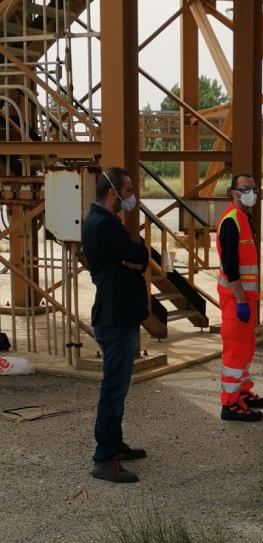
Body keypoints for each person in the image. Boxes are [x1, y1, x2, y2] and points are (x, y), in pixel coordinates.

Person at [82, 168, 149, 483]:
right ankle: (104, 458)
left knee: (118, 388)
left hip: (119, 315)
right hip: (114, 317)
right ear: (114, 193)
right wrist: (137, 255)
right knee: (113, 389)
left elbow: (133, 260)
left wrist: (133, 260)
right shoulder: (104, 226)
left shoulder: (106, 224)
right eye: (129, 189)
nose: (132, 196)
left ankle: (114, 444)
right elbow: (137, 254)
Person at [216, 173, 263, 423]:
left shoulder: (244, 218)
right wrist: (239, 301)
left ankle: (243, 393)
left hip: (245, 299)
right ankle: (230, 404)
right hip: (235, 300)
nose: (252, 192)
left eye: (254, 188)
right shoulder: (231, 221)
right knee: (235, 353)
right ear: (233, 193)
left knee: (246, 348)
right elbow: (230, 266)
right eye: (246, 188)